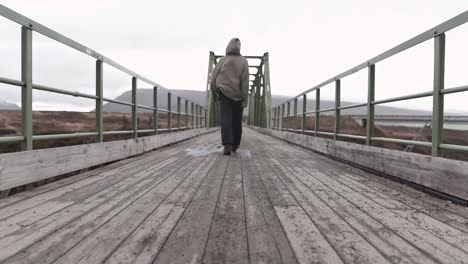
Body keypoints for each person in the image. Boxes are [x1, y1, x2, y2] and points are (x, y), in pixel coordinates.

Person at [210, 38, 249, 155]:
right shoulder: (244, 61)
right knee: (237, 121)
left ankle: (227, 144)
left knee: (225, 119)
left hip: (224, 92)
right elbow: (245, 82)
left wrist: (214, 94)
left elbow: (213, 79)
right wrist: (245, 99)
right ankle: (235, 145)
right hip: (238, 95)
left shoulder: (222, 60)